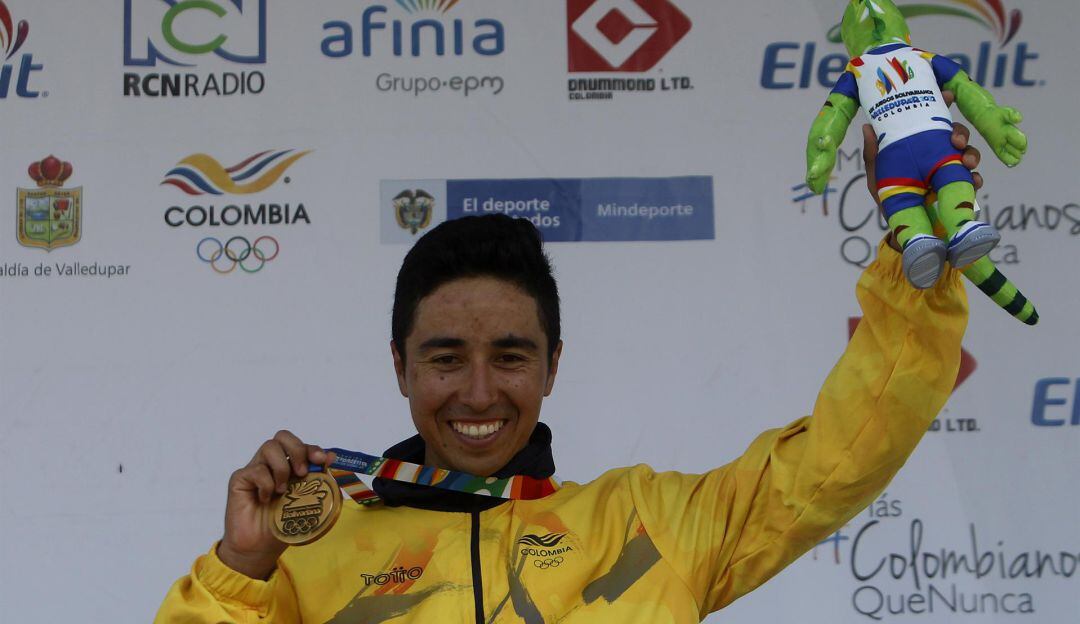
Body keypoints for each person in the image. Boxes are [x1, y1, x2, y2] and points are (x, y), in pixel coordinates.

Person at [155, 121, 981, 623]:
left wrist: (920, 262)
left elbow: (849, 446)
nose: (479, 393)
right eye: (446, 359)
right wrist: (241, 569)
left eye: (510, 356)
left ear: (552, 366)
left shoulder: (648, 524)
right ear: (400, 369)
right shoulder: (311, 549)